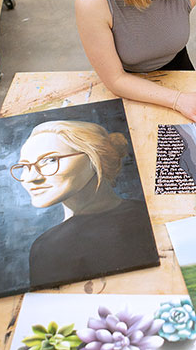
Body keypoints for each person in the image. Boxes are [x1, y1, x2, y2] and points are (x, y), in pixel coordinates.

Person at [10, 119, 159, 287]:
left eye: (50, 160)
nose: (31, 178)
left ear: (94, 157)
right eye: (24, 166)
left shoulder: (49, 247)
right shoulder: (49, 247)